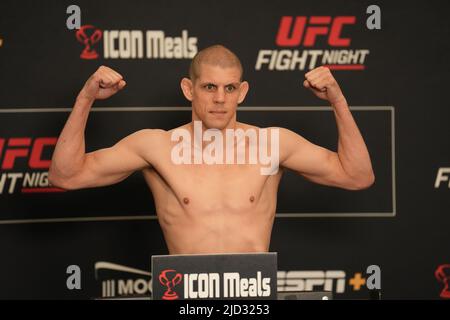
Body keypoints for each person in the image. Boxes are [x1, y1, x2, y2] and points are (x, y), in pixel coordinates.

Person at [48, 45, 374, 254]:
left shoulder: (273, 144)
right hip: (186, 300)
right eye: (209, 87)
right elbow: (66, 175)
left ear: (242, 92)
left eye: (229, 88)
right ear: (189, 89)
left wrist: (338, 101)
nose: (220, 98)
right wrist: (85, 98)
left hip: (253, 300)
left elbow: (357, 176)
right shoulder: (155, 146)